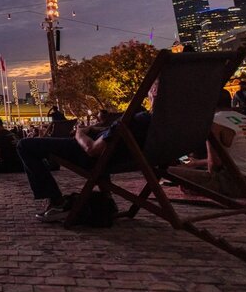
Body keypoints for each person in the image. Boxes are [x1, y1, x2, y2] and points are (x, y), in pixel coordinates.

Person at [16, 81, 157, 222]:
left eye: (151, 89)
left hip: (89, 153)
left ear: (154, 93)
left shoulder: (135, 120)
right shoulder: (159, 124)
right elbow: (116, 138)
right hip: (118, 155)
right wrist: (99, 130)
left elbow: (92, 150)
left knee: (25, 145)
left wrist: (80, 132)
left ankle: (58, 203)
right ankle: (105, 198)